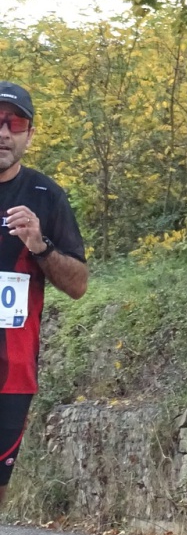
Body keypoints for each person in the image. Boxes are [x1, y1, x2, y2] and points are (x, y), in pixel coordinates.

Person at [0, 82, 89, 510]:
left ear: (30, 135)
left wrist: (40, 245)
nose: (4, 132)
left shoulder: (46, 196)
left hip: (11, 370)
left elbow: (78, 285)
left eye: (15, 123)